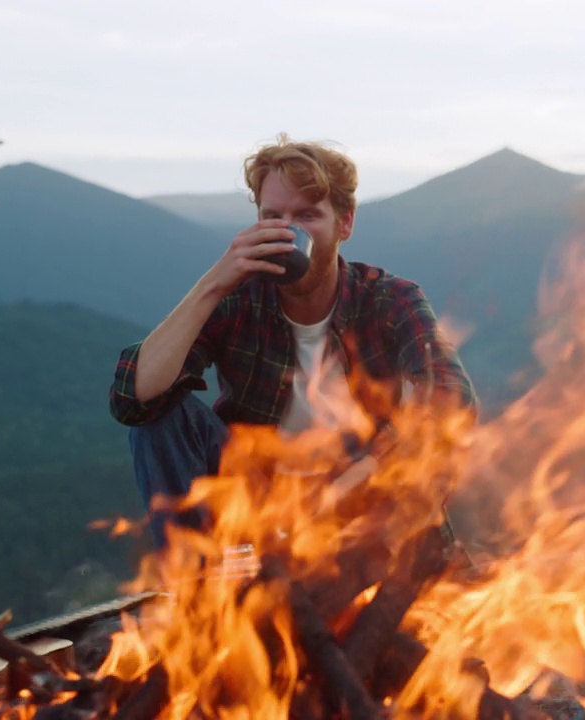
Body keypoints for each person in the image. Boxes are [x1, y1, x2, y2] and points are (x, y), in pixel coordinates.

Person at [108, 134, 477, 548]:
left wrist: (369, 468)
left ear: (345, 222)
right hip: (253, 499)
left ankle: (403, 571)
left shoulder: (388, 299)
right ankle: (202, 589)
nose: (288, 232)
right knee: (159, 421)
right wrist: (213, 284)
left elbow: (452, 397)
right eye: (274, 217)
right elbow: (131, 399)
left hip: (361, 500)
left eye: (307, 216)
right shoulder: (238, 299)